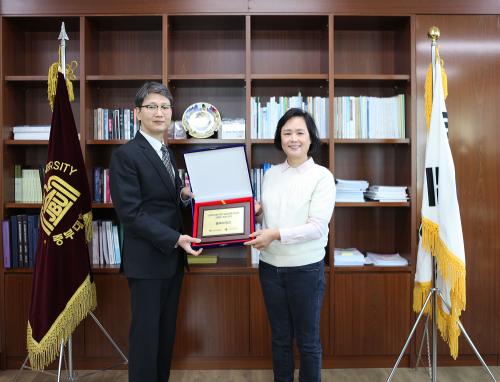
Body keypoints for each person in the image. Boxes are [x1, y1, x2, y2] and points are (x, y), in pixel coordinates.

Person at [109, 82, 202, 382]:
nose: (159, 113)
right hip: (148, 262)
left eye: (164, 107)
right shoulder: (126, 155)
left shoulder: (165, 151)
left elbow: (164, 202)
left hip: (171, 261)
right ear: (137, 113)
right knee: (146, 340)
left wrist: (184, 197)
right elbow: (131, 214)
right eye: (152, 107)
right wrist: (176, 238)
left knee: (164, 337)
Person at [245, 108, 335, 382]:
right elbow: (273, 214)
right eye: (287, 133)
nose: (293, 139)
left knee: (308, 341)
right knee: (280, 338)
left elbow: (317, 227)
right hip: (270, 268)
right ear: (279, 138)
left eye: (299, 133)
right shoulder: (272, 174)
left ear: (310, 139)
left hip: (305, 269)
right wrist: (258, 212)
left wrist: (274, 234)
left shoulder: (321, 176)